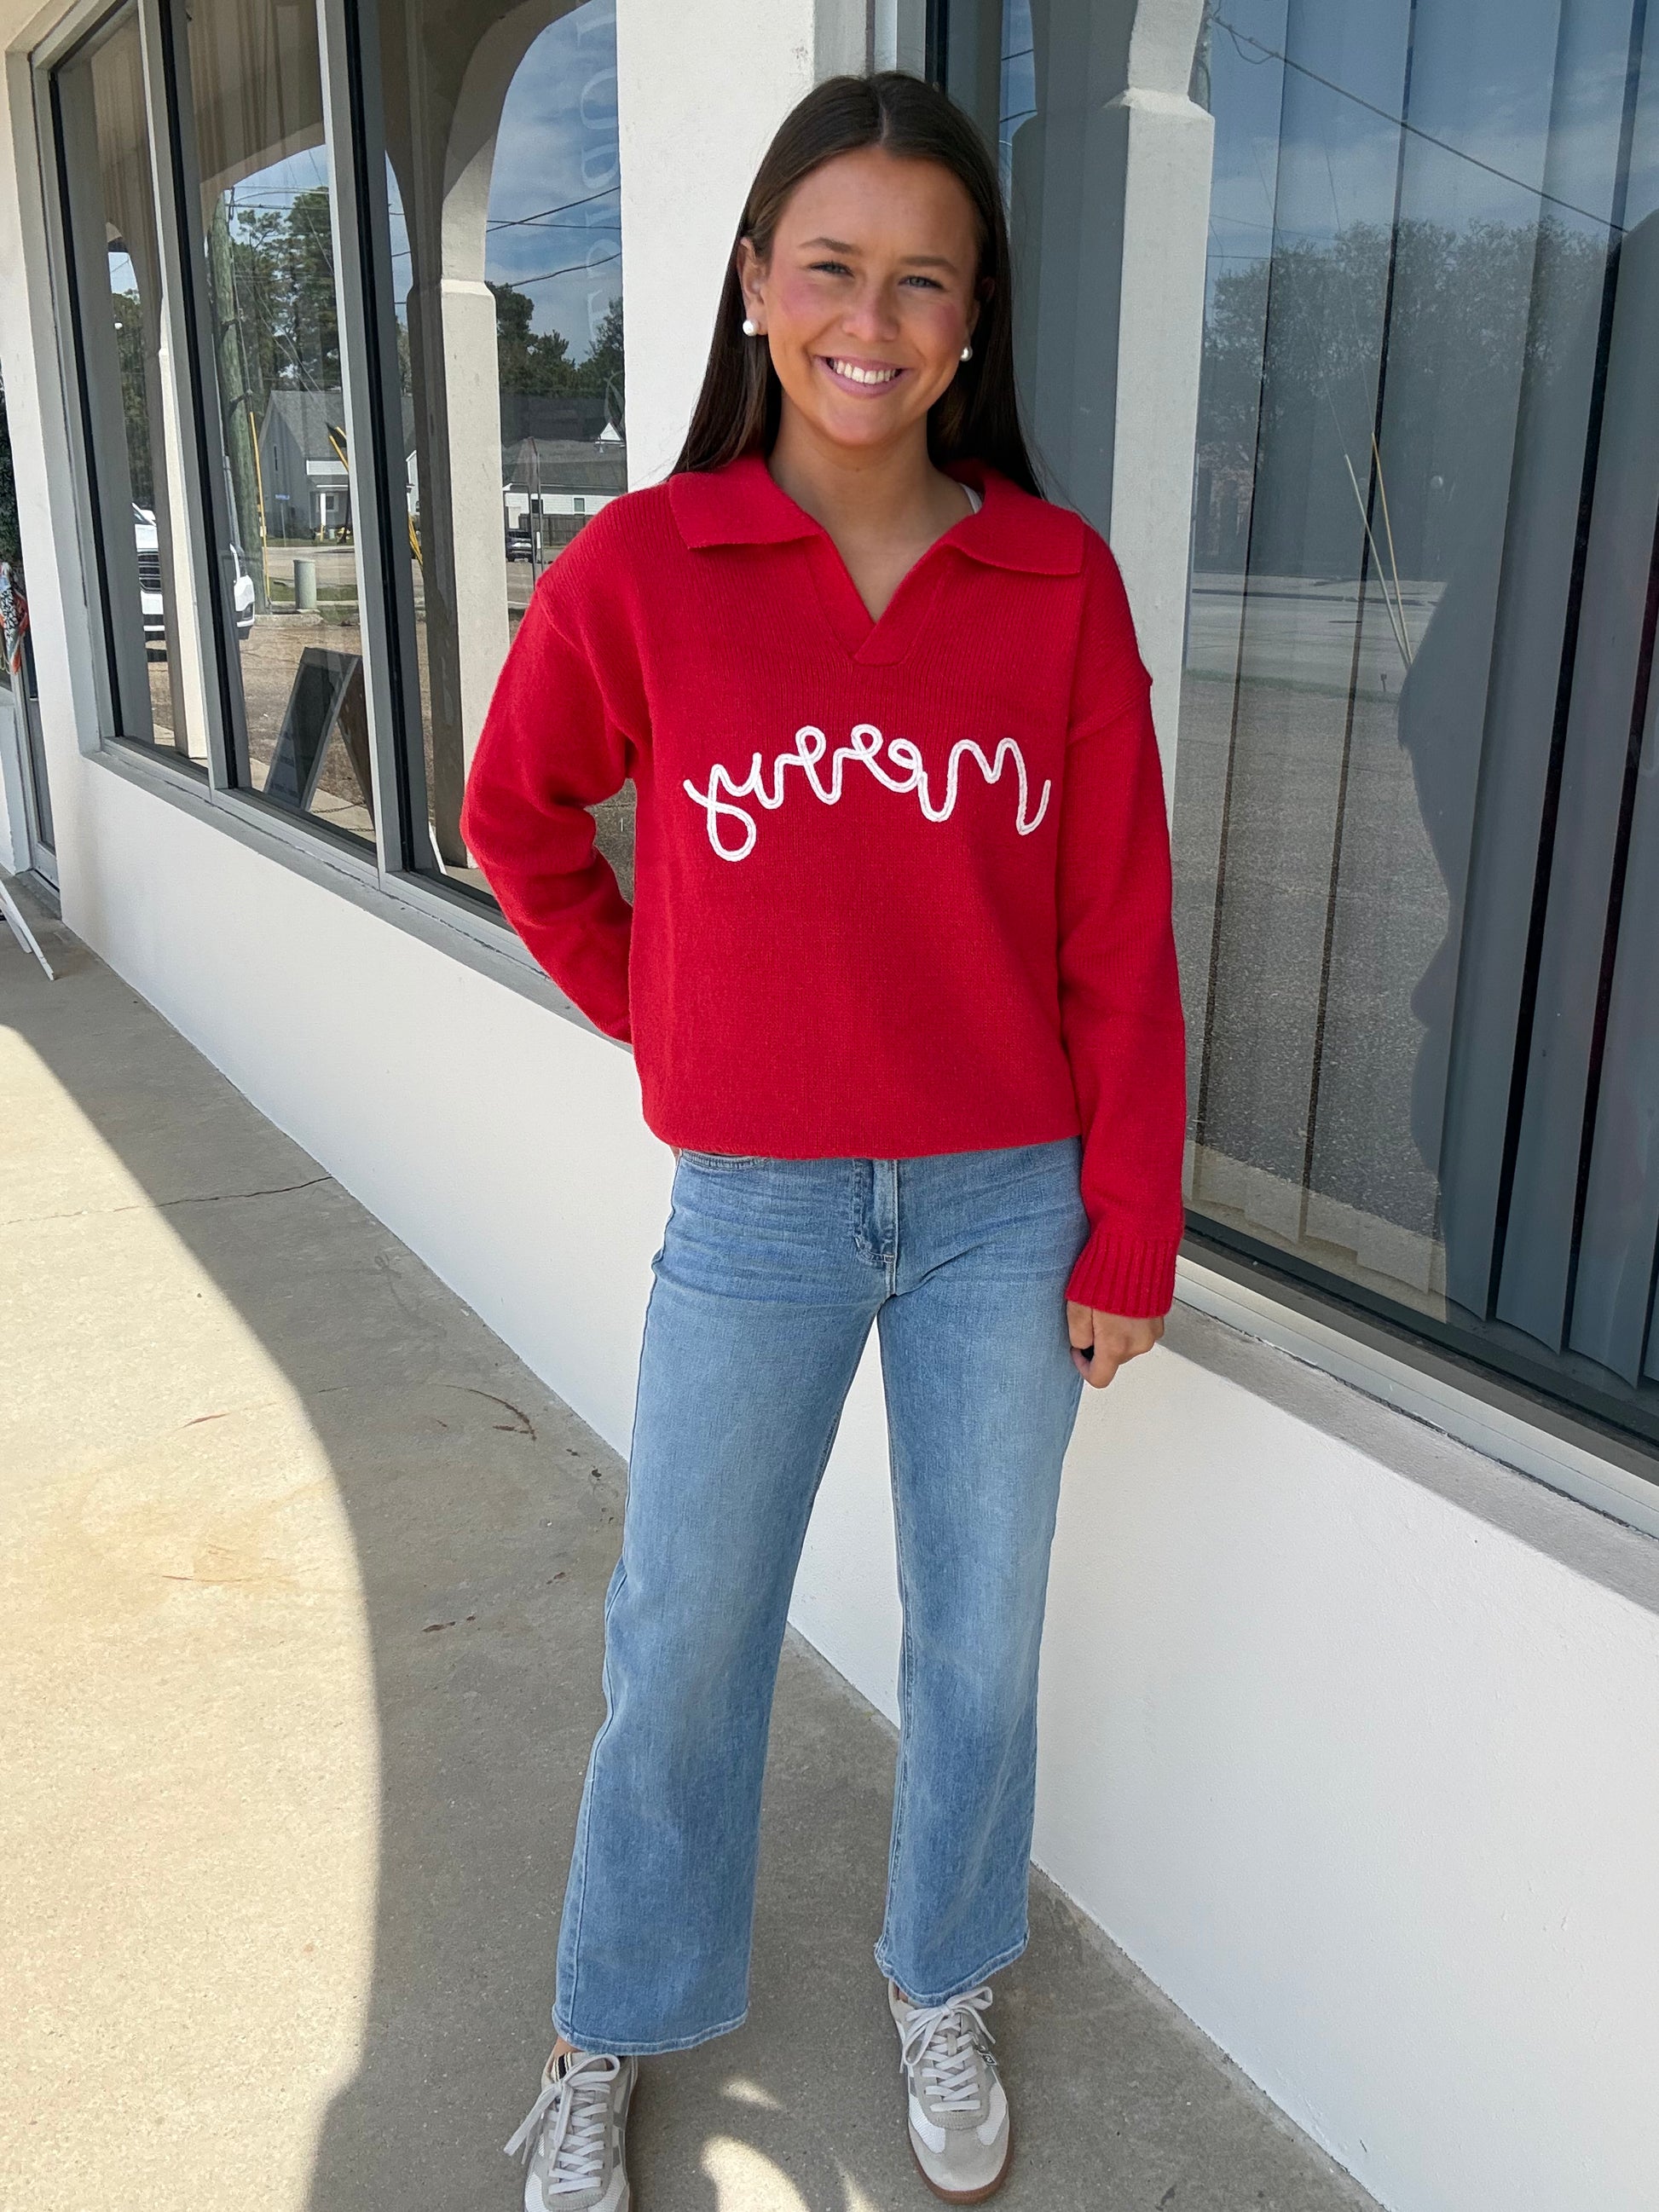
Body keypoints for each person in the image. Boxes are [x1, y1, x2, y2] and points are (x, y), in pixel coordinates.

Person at [461, 67, 1185, 2212]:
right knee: (683, 1632)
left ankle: (941, 1973)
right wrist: (662, 1011)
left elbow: (1119, 934)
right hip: (756, 1213)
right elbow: (517, 819)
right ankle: (604, 2024)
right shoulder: (647, 567)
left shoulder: (1055, 582)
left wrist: (1125, 1226)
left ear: (973, 321)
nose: (871, 320)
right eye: (831, 267)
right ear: (753, 282)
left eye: (922, 281)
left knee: (976, 1639)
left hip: (1003, 1212)